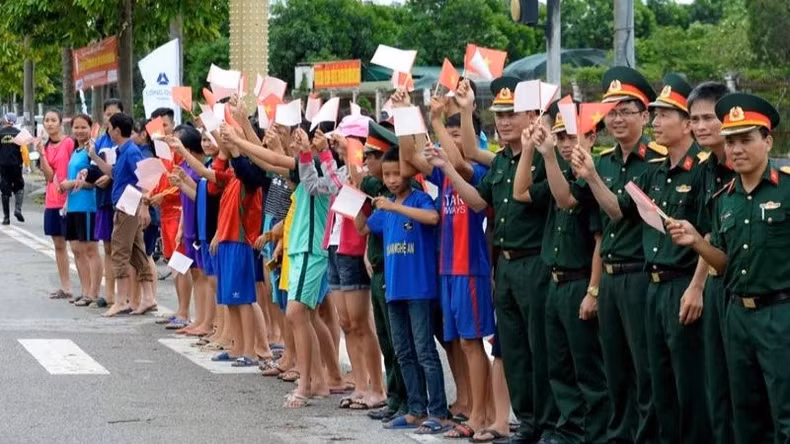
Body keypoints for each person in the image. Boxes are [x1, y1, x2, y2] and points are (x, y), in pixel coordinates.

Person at [427, 76, 558, 443]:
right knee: (513, 349)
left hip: (535, 263)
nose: (504, 121)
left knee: (539, 349)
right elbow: (477, 200)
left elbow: (471, 151)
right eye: (499, 114)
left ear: (530, 116)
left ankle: (549, 424)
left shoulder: (543, 159)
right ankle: (528, 422)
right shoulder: (501, 162)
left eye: (511, 114)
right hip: (506, 265)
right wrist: (447, 168)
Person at [666, 92, 788, 444]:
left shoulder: (786, 190)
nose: (736, 149)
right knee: (745, 413)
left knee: (784, 412)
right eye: (731, 141)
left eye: (746, 140)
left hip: (780, 315)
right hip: (737, 316)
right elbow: (723, 263)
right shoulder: (725, 199)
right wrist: (696, 241)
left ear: (767, 141)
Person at [560, 67, 661, 443]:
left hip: (640, 274)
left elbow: (619, 211)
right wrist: (553, 157)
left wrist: (591, 177)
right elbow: (567, 201)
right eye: (611, 112)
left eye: (626, 111)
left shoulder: (654, 162)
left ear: (645, 116)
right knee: (614, 369)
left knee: (643, 370)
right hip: (611, 277)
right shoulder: (602, 160)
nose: (617, 119)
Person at [398, 91, 494, 439]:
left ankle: (481, 415)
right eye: (446, 137)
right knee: (460, 343)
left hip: (471, 266)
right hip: (448, 267)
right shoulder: (443, 175)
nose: (447, 145)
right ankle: (472, 407)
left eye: (456, 137)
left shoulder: (478, 170)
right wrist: (405, 113)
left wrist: (437, 121)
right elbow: (410, 157)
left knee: (472, 342)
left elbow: (460, 163)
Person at [523, 100, 610, 444]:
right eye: (560, 137)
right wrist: (540, 151)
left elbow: (599, 240)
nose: (565, 144)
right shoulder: (559, 176)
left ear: (592, 137)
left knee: (587, 367)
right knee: (558, 365)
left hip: (580, 282)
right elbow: (522, 192)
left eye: (573, 136)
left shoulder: (593, 178)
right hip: (555, 282)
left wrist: (593, 290)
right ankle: (570, 429)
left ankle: (594, 433)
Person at [356, 147, 453, 435]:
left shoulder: (418, 198)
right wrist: (354, 199)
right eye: (387, 175)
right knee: (403, 351)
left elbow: (433, 218)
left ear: (409, 173)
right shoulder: (385, 208)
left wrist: (394, 207)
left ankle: (439, 411)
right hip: (394, 290)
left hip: (419, 290)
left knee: (425, 351)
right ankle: (415, 409)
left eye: (396, 173)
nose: (391, 179)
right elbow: (363, 228)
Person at [687, 81, 735, 444]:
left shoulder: (746, 166)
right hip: (718, 286)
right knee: (716, 384)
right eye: (695, 119)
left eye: (708, 118)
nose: (701, 126)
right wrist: (698, 285)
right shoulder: (706, 170)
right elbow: (708, 232)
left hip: (747, 290)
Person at [358, 120, 409, 422]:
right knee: (387, 342)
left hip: (394, 269)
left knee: (399, 341)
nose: (365, 161)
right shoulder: (372, 187)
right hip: (377, 267)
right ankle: (395, 398)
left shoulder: (396, 190)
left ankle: (407, 400)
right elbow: (363, 227)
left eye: (370, 156)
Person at [88, 112, 156, 317]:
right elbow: (114, 173)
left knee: (119, 250)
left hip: (129, 203)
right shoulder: (123, 150)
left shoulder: (131, 151)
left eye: (109, 128)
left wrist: (144, 206)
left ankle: (121, 300)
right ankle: (148, 297)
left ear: (117, 130)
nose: (108, 131)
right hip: (126, 203)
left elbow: (146, 178)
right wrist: (94, 157)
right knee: (136, 252)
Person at [59, 114, 101, 306]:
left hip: (87, 206)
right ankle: (84, 291)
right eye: (76, 127)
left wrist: (71, 183)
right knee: (76, 250)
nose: (79, 131)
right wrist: (66, 190)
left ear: (91, 128)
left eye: (83, 127)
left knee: (90, 249)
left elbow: (95, 181)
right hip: (73, 205)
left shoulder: (92, 150)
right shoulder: (76, 150)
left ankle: (93, 293)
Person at [86, 98, 124, 308]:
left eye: (115, 114)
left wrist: (110, 176)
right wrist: (89, 173)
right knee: (108, 247)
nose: (110, 118)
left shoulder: (126, 141)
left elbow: (129, 167)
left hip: (122, 201)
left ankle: (127, 295)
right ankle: (109, 294)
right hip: (103, 200)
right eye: (108, 114)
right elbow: (93, 169)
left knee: (123, 249)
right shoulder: (100, 142)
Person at [38, 109, 75, 300]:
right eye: (47, 120)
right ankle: (65, 286)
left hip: (70, 200)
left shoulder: (69, 143)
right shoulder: (45, 146)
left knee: (77, 245)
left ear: (60, 122)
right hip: (52, 201)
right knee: (58, 245)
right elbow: (49, 176)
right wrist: (41, 154)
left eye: (53, 120)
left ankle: (88, 289)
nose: (50, 123)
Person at [0, 112, 25, 225]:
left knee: (5, 190)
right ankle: (18, 209)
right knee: (19, 186)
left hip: (3, 166)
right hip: (16, 165)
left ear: (5, 121)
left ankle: (6, 218)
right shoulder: (19, 133)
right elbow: (24, 151)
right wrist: (26, 164)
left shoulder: (0, 132)